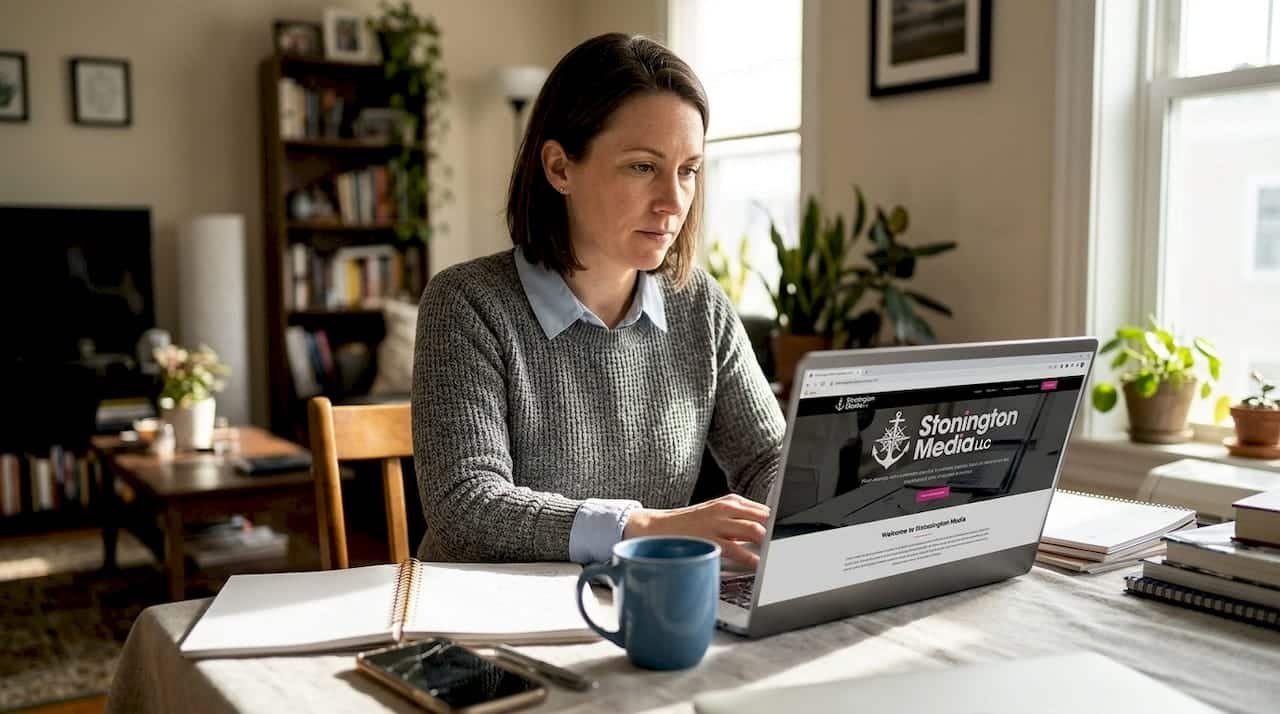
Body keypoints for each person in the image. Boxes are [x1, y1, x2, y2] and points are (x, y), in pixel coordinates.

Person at [412, 33, 783, 567]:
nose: (673, 202)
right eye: (642, 167)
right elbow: (467, 506)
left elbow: (769, 458)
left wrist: (787, 513)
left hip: (637, 606)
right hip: (484, 619)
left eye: (688, 170)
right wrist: (645, 527)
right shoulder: (467, 303)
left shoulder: (701, 304)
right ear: (560, 168)